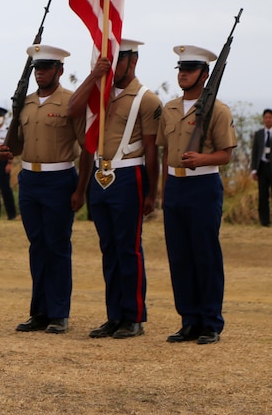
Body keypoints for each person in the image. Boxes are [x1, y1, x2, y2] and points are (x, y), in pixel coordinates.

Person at [67, 39, 162, 340]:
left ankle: (133, 317)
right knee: (108, 249)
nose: (112, 66)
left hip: (128, 175)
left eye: (117, 61)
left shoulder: (146, 99)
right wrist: (95, 76)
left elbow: (151, 150)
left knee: (128, 248)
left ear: (132, 62)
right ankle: (114, 315)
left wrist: (151, 193)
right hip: (100, 176)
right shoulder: (100, 94)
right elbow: (72, 111)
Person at [0, 44, 90, 335]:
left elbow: (87, 147)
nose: (41, 73)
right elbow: (19, 145)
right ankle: (39, 312)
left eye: (47, 68)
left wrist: (81, 189)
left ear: (60, 70)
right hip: (30, 181)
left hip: (60, 180)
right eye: (37, 68)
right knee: (37, 246)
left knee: (58, 247)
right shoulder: (24, 103)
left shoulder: (71, 101)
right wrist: (7, 151)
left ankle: (59, 313)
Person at [157, 45, 237, 345]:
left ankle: (210, 322)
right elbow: (165, 151)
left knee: (205, 255)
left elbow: (225, 154)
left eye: (189, 70)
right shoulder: (170, 109)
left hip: (203, 186)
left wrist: (201, 159)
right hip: (176, 187)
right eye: (180, 70)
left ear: (205, 74)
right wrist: (165, 190)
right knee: (180, 257)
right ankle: (188, 320)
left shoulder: (217, 109)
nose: (183, 75)